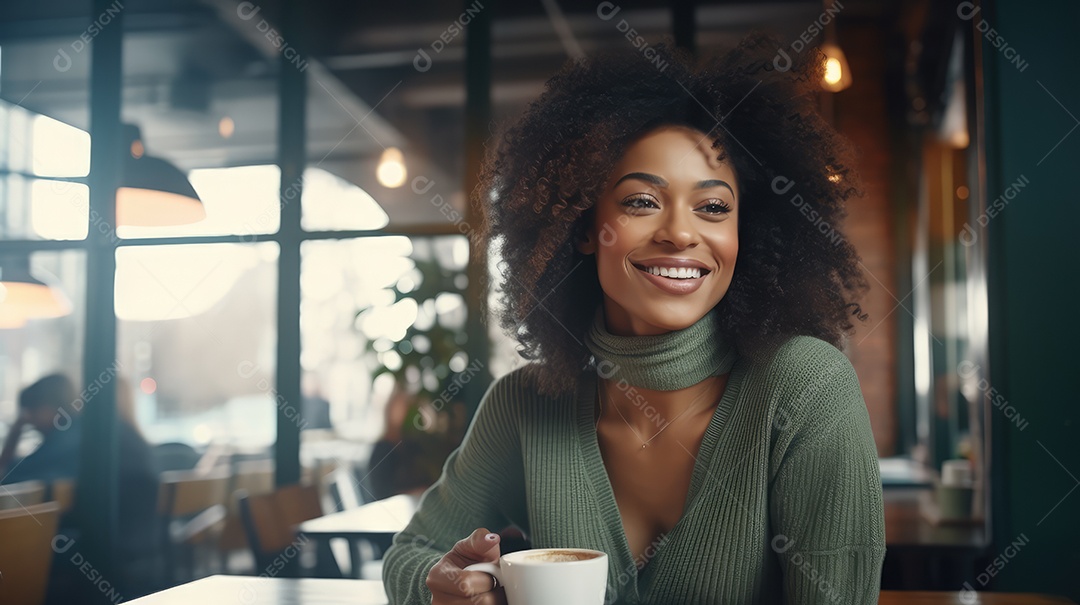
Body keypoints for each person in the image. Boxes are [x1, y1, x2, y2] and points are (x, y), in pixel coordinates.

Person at [383, 34, 885, 604]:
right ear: (578, 226)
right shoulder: (525, 404)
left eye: (714, 207)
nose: (680, 232)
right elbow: (412, 553)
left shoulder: (803, 389)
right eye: (642, 201)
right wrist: (445, 587)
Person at [0, 373, 160, 599]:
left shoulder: (74, 435)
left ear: (50, 408)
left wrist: (15, 433)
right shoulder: (115, 431)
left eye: (32, 411)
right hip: (138, 552)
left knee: (15, 549)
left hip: (100, 554)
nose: (30, 419)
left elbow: (9, 479)